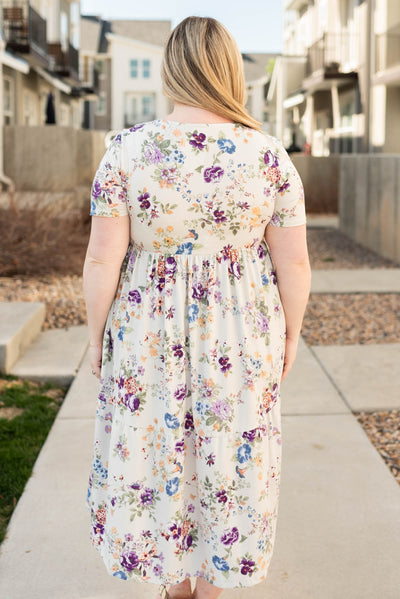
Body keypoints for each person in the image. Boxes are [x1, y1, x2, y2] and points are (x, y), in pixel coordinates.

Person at [83, 15, 311, 599]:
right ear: (230, 70)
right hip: (243, 333)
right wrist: (290, 335)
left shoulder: (127, 152)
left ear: (170, 69)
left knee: (156, 450)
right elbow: (295, 265)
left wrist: (95, 337)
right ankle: (212, 585)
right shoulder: (269, 157)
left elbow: (102, 262)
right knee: (230, 454)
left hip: (146, 331)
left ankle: (175, 583)